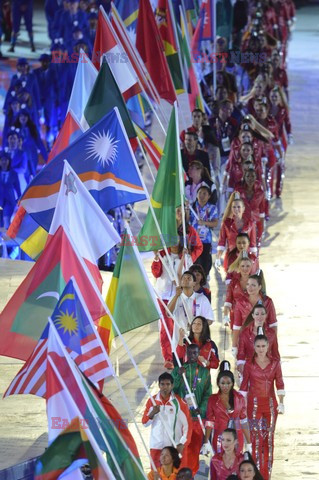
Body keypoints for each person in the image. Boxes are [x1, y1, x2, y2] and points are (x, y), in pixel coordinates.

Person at [239, 335, 285, 480]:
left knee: (269, 440)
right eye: (258, 346)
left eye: (263, 346)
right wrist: (240, 407)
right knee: (256, 440)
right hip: (253, 408)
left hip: (271, 407)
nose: (260, 349)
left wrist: (282, 401)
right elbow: (244, 386)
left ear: (268, 346)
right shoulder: (249, 364)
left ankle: (267, 475)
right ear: (254, 347)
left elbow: (280, 382)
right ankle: (257, 475)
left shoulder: (275, 363)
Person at [172, 343, 212, 476]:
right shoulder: (179, 370)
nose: (192, 356)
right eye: (190, 353)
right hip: (183, 418)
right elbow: (174, 391)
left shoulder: (205, 372)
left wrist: (202, 408)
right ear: (186, 354)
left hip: (198, 418)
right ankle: (181, 475)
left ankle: (192, 475)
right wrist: (178, 375)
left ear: (199, 354)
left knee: (194, 450)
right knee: (183, 449)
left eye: (195, 353)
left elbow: (208, 393)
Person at [142, 372, 192, 469]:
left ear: (172, 385)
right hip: (156, 446)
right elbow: (144, 423)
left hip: (172, 446)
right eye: (162, 384)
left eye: (168, 384)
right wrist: (152, 413)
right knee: (156, 475)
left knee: (173, 475)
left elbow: (188, 425)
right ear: (159, 385)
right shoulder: (152, 401)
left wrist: (182, 443)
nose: (165, 387)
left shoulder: (179, 402)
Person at [203, 361, 251, 455]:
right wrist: (206, 442)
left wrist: (248, 443)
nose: (225, 386)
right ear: (218, 383)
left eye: (228, 383)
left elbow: (244, 421)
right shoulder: (212, 399)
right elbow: (209, 422)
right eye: (223, 383)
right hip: (220, 438)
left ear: (233, 383)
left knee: (236, 464)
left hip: (237, 438)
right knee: (220, 464)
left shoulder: (240, 398)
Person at [168, 271, 214, 352]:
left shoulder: (202, 298)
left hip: (197, 342)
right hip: (179, 342)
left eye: (189, 278)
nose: (186, 280)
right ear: (181, 283)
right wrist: (176, 296)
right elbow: (168, 314)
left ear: (194, 283)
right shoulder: (175, 298)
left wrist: (197, 326)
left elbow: (210, 319)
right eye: (184, 278)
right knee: (179, 364)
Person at [232, 272, 277, 350]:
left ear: (260, 287)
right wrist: (234, 346)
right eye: (248, 284)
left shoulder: (267, 301)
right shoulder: (240, 302)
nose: (249, 288)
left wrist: (273, 343)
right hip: (246, 341)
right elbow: (237, 326)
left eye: (253, 285)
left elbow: (273, 324)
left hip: (263, 341)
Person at [216, 192, 257, 272]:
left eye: (238, 207)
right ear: (231, 209)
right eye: (234, 207)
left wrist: (255, 264)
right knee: (231, 282)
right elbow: (221, 243)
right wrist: (218, 257)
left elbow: (253, 245)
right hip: (231, 258)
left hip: (246, 259)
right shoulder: (226, 223)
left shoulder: (250, 224)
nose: (236, 209)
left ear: (243, 208)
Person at [237, 303, 280, 374]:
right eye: (257, 314)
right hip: (250, 369)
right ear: (253, 315)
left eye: (262, 314)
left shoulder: (271, 333)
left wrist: (277, 371)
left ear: (266, 315)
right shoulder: (244, 333)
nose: (260, 317)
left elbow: (275, 353)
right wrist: (241, 365)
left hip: (267, 370)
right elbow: (241, 353)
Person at [189, 185, 219, 277]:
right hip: (193, 239)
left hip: (206, 240)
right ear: (196, 195)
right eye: (200, 193)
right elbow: (186, 221)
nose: (201, 195)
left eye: (204, 193)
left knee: (205, 260)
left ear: (209, 196)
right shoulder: (191, 207)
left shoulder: (212, 208)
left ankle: (204, 277)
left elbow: (215, 223)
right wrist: (186, 209)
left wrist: (204, 222)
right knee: (195, 260)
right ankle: (194, 278)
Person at [236, 169, 265, 246]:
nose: (250, 178)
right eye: (248, 176)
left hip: (255, 223)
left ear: (256, 178)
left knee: (254, 249)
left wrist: (261, 229)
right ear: (244, 177)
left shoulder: (260, 193)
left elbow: (262, 212)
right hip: (241, 223)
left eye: (252, 176)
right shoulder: (238, 191)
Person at [223, 253, 254, 328]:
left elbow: (261, 301)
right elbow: (228, 301)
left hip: (252, 319)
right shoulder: (233, 283)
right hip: (236, 318)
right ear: (239, 267)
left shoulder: (256, 282)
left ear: (251, 267)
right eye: (242, 266)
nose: (245, 269)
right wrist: (225, 316)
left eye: (247, 266)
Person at [0, 151, 21, 228]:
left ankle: (7, 237)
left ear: (9, 161)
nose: (4, 162)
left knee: (6, 218)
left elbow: (18, 188)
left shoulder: (13, 173)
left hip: (9, 200)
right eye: (2, 160)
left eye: (6, 160)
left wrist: (19, 198)